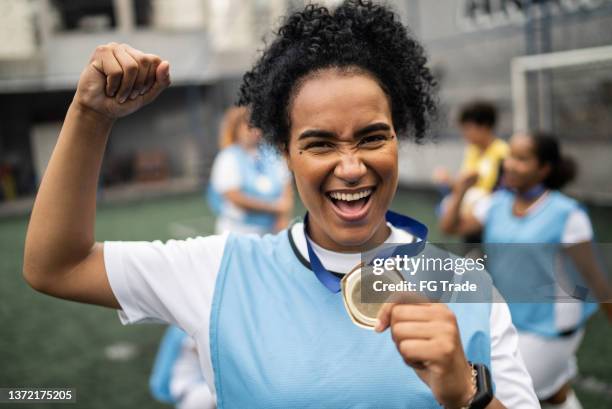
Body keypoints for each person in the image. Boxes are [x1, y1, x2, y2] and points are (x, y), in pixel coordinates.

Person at [23, 1, 539, 408]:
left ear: (398, 139)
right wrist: (90, 116)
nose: (352, 166)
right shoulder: (219, 273)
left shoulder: (467, 287)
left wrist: (468, 394)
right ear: (284, 152)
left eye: (372, 137)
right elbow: (56, 266)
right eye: (319, 144)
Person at [441, 132, 612, 409]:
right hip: (512, 319)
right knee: (554, 394)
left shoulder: (567, 214)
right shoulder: (495, 204)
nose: (509, 164)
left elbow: (595, 279)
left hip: (550, 330)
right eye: (509, 156)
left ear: (543, 168)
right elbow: (451, 227)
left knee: (502, 394)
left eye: (521, 159)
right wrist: (460, 189)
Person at [207, 105, 293, 235]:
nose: (254, 130)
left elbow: (286, 188)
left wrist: (282, 217)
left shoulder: (272, 154)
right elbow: (234, 196)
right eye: (248, 125)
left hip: (272, 232)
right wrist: (274, 208)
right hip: (239, 232)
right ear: (236, 128)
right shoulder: (228, 157)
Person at [435, 101, 508, 243]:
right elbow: (465, 182)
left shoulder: (502, 153)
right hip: (469, 204)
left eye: (468, 129)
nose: (465, 135)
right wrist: (449, 181)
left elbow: (501, 191)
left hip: (487, 212)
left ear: (484, 126)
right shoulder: (472, 150)